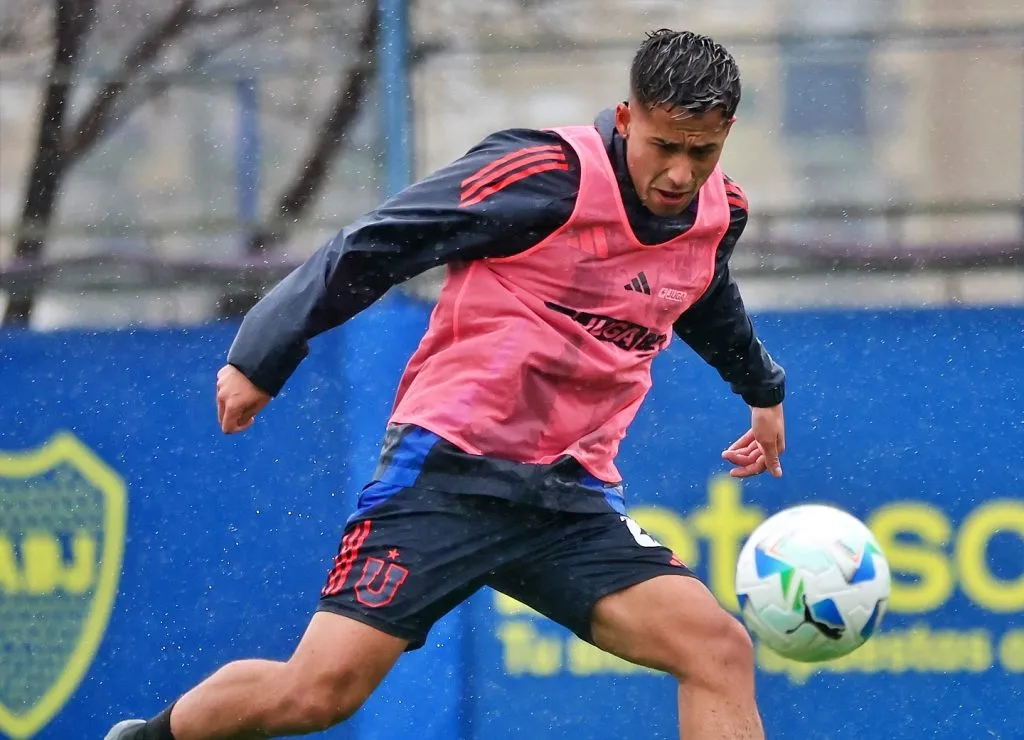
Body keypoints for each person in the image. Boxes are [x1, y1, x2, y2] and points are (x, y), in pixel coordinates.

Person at [107, 28, 785, 740]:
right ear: (625, 118)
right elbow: (384, 238)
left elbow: (703, 294)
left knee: (716, 649)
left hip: (568, 499)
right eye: (665, 147)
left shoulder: (718, 213)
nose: (680, 174)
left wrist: (762, 390)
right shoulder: (542, 175)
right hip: (447, 475)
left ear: (726, 135)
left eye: (701, 153)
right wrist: (262, 353)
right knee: (317, 693)